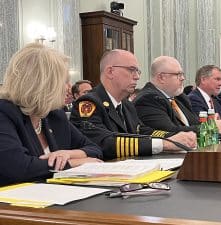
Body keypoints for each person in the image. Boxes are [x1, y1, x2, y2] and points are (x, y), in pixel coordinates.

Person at [0, 43, 103, 186]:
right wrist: (73, 164)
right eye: (65, 81)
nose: (69, 87)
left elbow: (94, 149)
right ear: (44, 83)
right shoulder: (4, 113)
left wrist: (68, 154)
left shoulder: (54, 115)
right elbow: (18, 168)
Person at [70, 49, 196, 160]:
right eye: (131, 70)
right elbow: (103, 142)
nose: (137, 77)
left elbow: (142, 130)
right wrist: (163, 144)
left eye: (137, 71)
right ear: (110, 72)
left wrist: (174, 137)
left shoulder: (126, 104)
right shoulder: (88, 103)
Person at [133, 57, 221, 134]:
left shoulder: (179, 97)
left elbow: (195, 123)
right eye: (178, 75)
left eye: (182, 74)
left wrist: (215, 124)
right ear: (161, 77)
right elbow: (170, 131)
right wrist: (211, 128)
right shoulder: (148, 99)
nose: (183, 78)